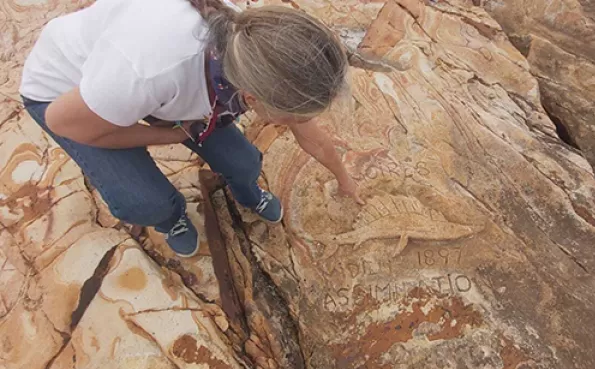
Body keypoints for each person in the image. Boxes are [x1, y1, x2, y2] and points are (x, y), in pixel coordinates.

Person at [19, 0, 362, 258]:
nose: (299, 123)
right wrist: (168, 135)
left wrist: (345, 179)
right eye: (290, 116)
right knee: (141, 201)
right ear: (251, 98)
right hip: (67, 97)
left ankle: (246, 192)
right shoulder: (149, 70)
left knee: (244, 163)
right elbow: (63, 122)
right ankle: (170, 218)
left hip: (146, 92)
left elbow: (309, 132)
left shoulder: (256, 48)